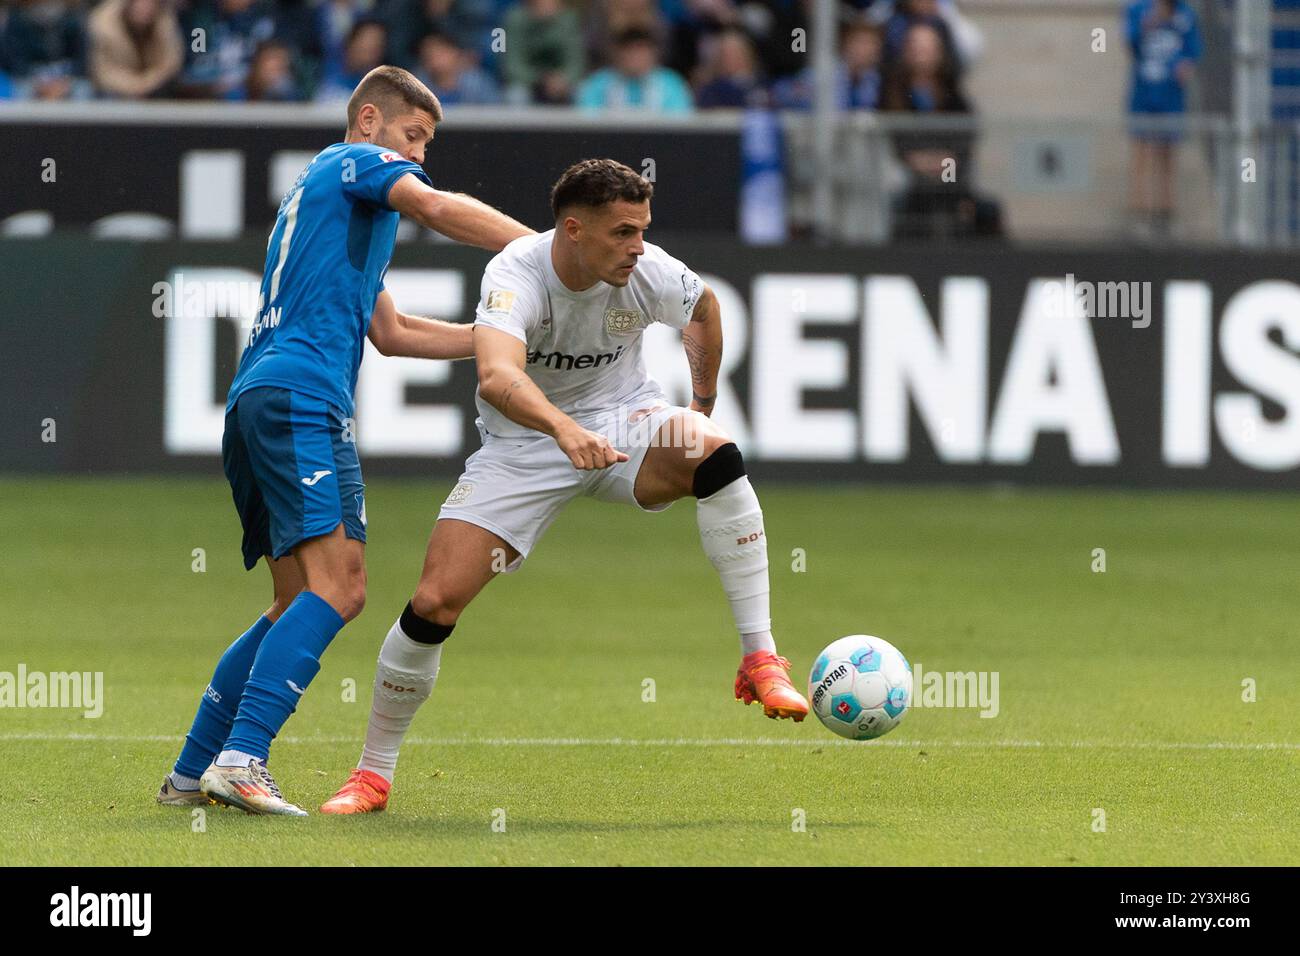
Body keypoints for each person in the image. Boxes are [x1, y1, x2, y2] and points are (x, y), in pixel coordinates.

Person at [320, 158, 808, 815]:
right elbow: (497, 378)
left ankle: (761, 657)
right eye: (622, 233)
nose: (637, 248)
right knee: (434, 601)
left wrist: (703, 398)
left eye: (642, 230)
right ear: (573, 230)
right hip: (523, 446)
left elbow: (705, 311)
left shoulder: (649, 270)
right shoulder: (515, 275)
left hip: (626, 422)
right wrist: (561, 429)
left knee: (714, 453)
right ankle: (372, 776)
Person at [155, 65, 534, 816]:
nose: (418, 157)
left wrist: (495, 336)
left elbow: (391, 333)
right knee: (343, 586)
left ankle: (193, 770)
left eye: (426, 144)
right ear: (368, 121)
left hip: (261, 395)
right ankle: (243, 757)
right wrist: (544, 257)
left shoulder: (336, 212)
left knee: (294, 596)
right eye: (412, 137)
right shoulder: (350, 162)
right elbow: (433, 205)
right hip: (301, 395)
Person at [1126, 0, 1201, 240]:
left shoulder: (1184, 13)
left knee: (1167, 154)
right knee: (1141, 153)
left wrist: (1186, 65)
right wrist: (1148, 24)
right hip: (1144, 93)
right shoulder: (1137, 10)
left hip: (1171, 96)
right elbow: (1131, 42)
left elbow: (1194, 49)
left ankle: (1166, 213)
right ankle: (1140, 213)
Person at [576, 27, 693, 113]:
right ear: (617, 54)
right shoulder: (596, 84)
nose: (635, 58)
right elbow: (586, 119)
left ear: (653, 54)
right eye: (629, 52)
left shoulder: (672, 84)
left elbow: (680, 120)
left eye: (640, 51)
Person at [87, 0, 184, 100]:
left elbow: (170, 64)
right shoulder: (103, 27)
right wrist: (134, 87)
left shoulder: (165, 25)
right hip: (112, 95)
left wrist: (146, 84)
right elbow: (102, 72)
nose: (145, 7)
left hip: (155, 93)